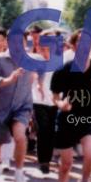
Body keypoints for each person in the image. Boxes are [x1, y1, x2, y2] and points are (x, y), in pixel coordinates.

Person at [50, 31, 91, 182]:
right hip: (67, 119)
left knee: (90, 153)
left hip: (89, 118)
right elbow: (55, 97)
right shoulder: (63, 70)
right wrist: (61, 105)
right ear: (74, 46)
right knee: (66, 162)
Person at [0, 36, 35, 182]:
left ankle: (19, 173)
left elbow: (36, 77)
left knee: (20, 137)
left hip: (22, 107)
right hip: (1, 109)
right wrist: (8, 80)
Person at [30, 34, 58, 174]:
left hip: (53, 103)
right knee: (43, 130)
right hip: (38, 101)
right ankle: (43, 161)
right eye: (43, 49)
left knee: (51, 132)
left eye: (49, 49)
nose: (46, 52)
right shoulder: (35, 61)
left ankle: (48, 157)